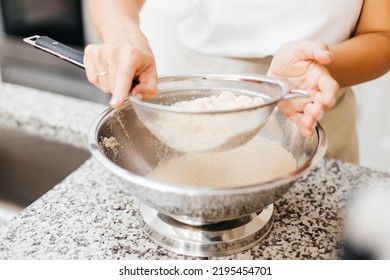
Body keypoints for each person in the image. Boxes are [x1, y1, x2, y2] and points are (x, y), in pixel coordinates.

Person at [83, 0, 390, 164]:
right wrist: (123, 38)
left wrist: (321, 67)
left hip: (312, 102)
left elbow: (382, 34)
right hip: (206, 95)